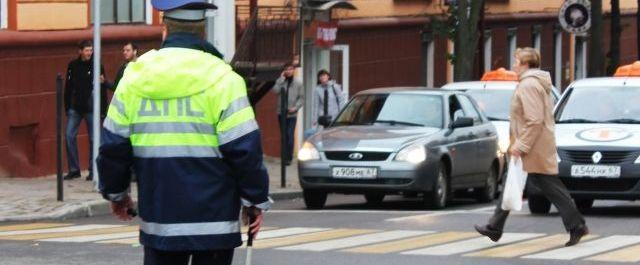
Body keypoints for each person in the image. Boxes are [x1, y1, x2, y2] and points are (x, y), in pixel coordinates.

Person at [97, 1, 271, 264]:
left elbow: (112, 147)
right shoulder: (225, 80)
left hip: (160, 223)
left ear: (164, 29)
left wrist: (117, 195)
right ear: (203, 32)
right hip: (215, 225)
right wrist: (254, 200)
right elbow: (245, 150)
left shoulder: (133, 79)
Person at [474, 47, 588, 247]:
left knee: (550, 188)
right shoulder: (534, 83)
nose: (514, 65)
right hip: (535, 145)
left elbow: (534, 120)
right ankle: (494, 227)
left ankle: (577, 225)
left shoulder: (528, 85)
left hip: (532, 147)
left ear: (526, 64)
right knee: (513, 183)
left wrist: (521, 145)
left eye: (516, 61)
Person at [63, 40, 108, 181]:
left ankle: (93, 170)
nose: (89, 53)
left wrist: (102, 109)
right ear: (80, 51)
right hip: (75, 108)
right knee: (69, 136)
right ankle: (74, 169)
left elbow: (102, 88)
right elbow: (68, 87)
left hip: (91, 108)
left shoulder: (97, 66)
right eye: (87, 50)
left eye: (91, 50)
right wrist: (67, 106)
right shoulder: (73, 66)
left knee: (94, 139)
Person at [271, 63, 304, 166]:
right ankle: (284, 158)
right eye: (286, 69)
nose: (289, 71)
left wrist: (295, 107)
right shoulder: (280, 81)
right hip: (281, 112)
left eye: (290, 69)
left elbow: (302, 98)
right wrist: (280, 80)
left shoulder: (298, 82)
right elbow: (275, 91)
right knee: (284, 136)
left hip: (292, 113)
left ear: (293, 70)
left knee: (290, 135)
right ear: (284, 71)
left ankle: (289, 157)